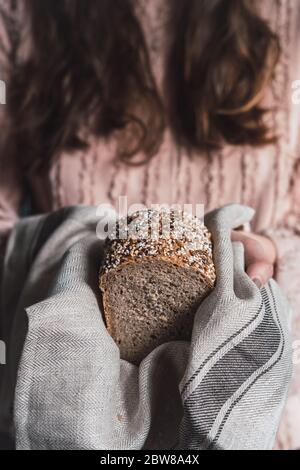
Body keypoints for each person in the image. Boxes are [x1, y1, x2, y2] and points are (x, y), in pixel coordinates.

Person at [0, 0, 299, 449]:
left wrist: (276, 262)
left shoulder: (290, 16)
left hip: (258, 421)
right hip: (65, 410)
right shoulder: (20, 14)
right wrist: (64, 257)